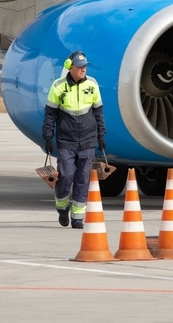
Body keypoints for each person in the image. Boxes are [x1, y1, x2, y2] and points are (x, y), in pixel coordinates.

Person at [42, 51, 106, 229]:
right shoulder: (58, 87)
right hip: (66, 141)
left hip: (88, 140)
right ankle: (62, 208)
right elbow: (49, 115)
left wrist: (101, 136)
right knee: (66, 176)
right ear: (70, 67)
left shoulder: (92, 85)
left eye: (85, 66)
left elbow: (99, 113)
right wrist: (48, 137)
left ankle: (78, 218)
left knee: (83, 178)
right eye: (79, 66)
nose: (83, 69)